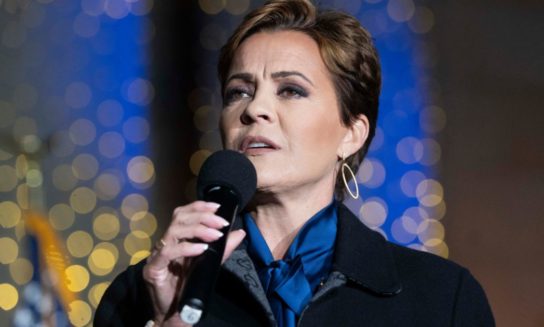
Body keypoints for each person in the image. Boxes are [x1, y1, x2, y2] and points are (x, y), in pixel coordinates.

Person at [94, 0, 495, 326]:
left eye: (290, 89)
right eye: (238, 91)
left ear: (351, 132)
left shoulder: (441, 298)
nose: (255, 109)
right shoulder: (140, 294)